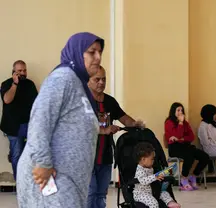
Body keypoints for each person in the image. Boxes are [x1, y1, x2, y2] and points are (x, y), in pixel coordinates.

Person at [16, 32, 105, 208]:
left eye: (100, 52)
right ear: (77, 52)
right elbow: (40, 119)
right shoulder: (62, 78)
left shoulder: (79, 84)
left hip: (69, 180)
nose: (98, 57)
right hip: (51, 177)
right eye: (92, 52)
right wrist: (42, 162)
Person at [87, 66, 145, 208]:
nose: (101, 82)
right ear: (88, 81)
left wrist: (135, 123)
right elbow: (80, 128)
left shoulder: (110, 101)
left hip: (105, 156)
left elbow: (124, 118)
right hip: (86, 157)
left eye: (104, 79)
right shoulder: (82, 101)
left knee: (101, 193)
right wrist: (105, 130)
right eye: (97, 79)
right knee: (90, 192)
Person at [0, 60, 38, 181]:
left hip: (28, 126)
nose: (23, 73)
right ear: (14, 72)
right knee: (17, 155)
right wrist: (15, 84)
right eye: (19, 71)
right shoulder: (6, 84)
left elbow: (36, 104)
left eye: (24, 70)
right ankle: (19, 183)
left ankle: (27, 182)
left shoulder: (30, 84)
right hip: (13, 126)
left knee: (28, 156)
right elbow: (7, 100)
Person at [164, 102, 209, 191]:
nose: (180, 112)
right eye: (178, 110)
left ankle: (193, 176)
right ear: (173, 111)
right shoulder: (169, 122)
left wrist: (181, 139)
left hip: (186, 146)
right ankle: (183, 178)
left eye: (182, 110)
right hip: (175, 148)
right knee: (189, 156)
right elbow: (177, 134)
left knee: (205, 157)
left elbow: (191, 137)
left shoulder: (186, 123)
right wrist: (180, 123)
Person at [133, 142, 181, 208]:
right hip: (141, 194)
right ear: (143, 160)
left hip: (152, 191)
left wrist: (163, 174)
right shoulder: (140, 170)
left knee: (164, 193)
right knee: (153, 203)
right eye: (152, 159)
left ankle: (170, 202)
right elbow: (142, 181)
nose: (153, 161)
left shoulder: (149, 167)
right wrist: (155, 177)